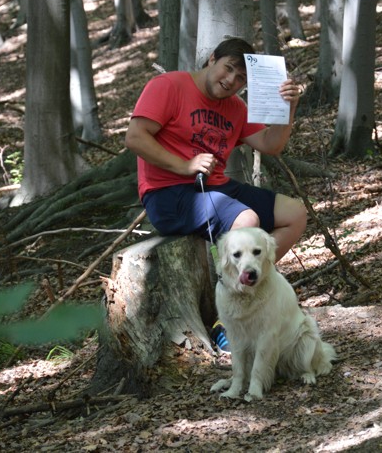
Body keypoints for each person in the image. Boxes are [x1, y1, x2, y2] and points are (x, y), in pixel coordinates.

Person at [125, 37, 307, 352]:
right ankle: (228, 319)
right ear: (212, 59)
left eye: (241, 79)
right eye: (228, 69)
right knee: (246, 219)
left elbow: (270, 144)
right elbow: (135, 138)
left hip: (214, 186)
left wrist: (289, 108)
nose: (231, 81)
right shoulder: (168, 86)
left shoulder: (235, 107)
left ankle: (250, 294)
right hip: (167, 193)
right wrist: (184, 165)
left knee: (294, 215)